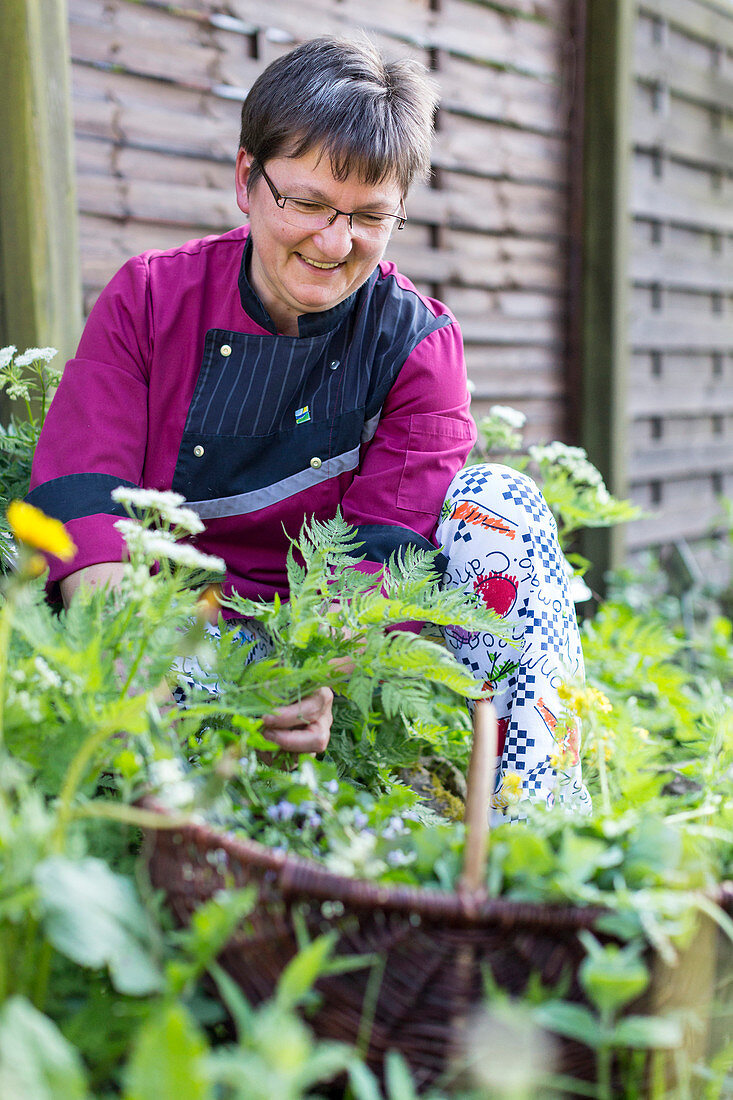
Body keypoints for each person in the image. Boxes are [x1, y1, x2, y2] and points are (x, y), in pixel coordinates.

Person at [27, 36, 588, 812]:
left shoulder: (417, 344)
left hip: (332, 647)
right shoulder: (149, 301)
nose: (332, 244)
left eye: (368, 216)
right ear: (246, 179)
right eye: (307, 203)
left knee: (501, 501)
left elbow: (386, 552)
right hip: (170, 633)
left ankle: (535, 829)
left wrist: (312, 678)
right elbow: (82, 495)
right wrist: (137, 658)